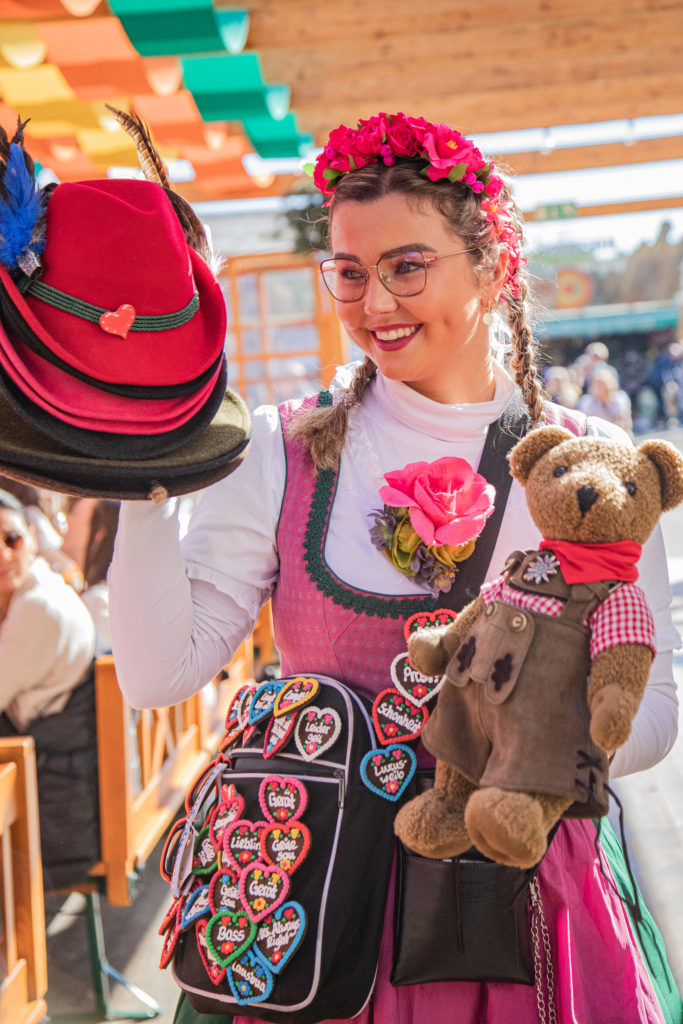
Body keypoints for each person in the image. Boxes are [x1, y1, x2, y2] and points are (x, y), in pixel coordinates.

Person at [108, 113, 681, 1024]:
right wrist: (135, 468)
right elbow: (154, 674)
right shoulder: (278, 447)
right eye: (348, 273)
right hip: (303, 898)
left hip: (502, 905)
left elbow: (652, 715)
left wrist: (520, 752)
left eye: (406, 267)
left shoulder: (590, 469)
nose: (373, 303)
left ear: (493, 268)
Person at [0, 488, 99, 887]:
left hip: (58, 817)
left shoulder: (37, 607)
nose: (5, 554)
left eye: (12, 539)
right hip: (67, 799)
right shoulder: (37, 591)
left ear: (32, 538)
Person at [62, 498, 120, 655]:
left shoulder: (98, 601)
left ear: (99, 533)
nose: (66, 520)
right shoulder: (101, 594)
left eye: (74, 514)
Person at [577, 364, 634, 433]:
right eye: (597, 384)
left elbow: (626, 423)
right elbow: (583, 424)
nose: (599, 387)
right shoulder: (586, 402)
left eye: (602, 384)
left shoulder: (620, 398)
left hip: (618, 433)